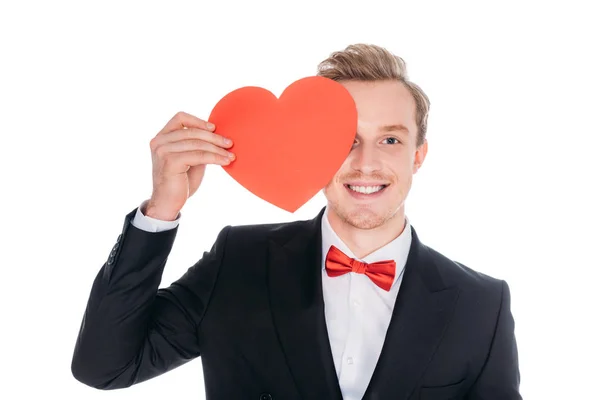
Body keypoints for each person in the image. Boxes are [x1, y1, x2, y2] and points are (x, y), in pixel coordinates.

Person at [71, 44, 521, 400]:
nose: (366, 163)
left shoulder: (482, 305)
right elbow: (105, 366)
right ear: (312, 149)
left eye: (389, 139)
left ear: (417, 156)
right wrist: (161, 209)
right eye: (345, 140)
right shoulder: (239, 263)